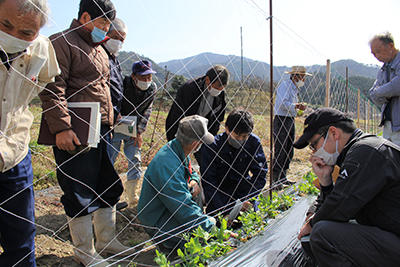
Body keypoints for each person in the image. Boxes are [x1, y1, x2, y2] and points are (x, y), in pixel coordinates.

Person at [38, 0, 132, 265]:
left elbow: (106, 89)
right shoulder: (62, 42)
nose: (105, 30)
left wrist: (111, 119)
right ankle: (83, 250)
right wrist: (63, 127)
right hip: (76, 130)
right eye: (102, 24)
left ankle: (106, 240)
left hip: (101, 128)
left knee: (107, 183)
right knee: (79, 188)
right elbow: (53, 88)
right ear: (86, 16)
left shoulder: (99, 49)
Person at [295, 108, 400, 267]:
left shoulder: (365, 151)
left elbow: (340, 207)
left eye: (314, 145)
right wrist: (325, 181)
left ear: (333, 133)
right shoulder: (358, 150)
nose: (314, 153)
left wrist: (310, 224)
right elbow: (338, 203)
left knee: (323, 234)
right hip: (390, 235)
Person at [0, 0, 60, 266]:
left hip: (15, 152)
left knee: (22, 237)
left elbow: (48, 80)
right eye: (5, 25)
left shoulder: (42, 48)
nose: (14, 36)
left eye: (26, 33)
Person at [138, 115, 216, 250]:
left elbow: (192, 172)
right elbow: (183, 207)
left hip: (169, 208)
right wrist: (212, 228)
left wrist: (194, 180)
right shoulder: (167, 165)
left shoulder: (177, 148)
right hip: (157, 219)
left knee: (201, 229)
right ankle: (166, 243)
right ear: (195, 144)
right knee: (196, 241)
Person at [201, 109, 267, 217]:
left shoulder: (253, 142)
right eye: (237, 136)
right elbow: (209, 181)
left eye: (244, 137)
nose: (240, 140)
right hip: (220, 194)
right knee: (218, 225)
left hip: (244, 191)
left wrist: (248, 199)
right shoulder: (212, 146)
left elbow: (260, 174)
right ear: (227, 129)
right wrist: (223, 210)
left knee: (251, 223)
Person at [109, 60, 157, 207]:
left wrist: (139, 132)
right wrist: (113, 118)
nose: (147, 81)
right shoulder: (122, 84)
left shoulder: (152, 89)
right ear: (133, 76)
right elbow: (111, 102)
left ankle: (132, 196)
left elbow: (147, 111)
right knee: (109, 159)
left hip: (133, 129)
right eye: (143, 78)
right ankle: (107, 197)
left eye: (149, 77)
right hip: (115, 127)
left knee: (135, 160)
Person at [165, 65, 229, 165]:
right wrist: (174, 140)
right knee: (177, 160)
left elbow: (217, 120)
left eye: (221, 89)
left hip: (203, 132)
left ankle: (202, 178)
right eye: (216, 87)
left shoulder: (220, 95)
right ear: (207, 80)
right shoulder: (189, 89)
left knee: (207, 162)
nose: (218, 91)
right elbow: (175, 116)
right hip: (183, 130)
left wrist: (209, 142)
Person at [102, 18, 128, 211]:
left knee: (109, 160)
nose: (119, 42)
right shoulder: (99, 54)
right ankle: (101, 204)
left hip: (113, 118)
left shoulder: (114, 58)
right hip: (100, 118)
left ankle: (107, 203)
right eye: (116, 37)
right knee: (102, 162)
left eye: (123, 39)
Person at [272, 66, 310, 187]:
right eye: (303, 77)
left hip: (289, 119)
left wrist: (297, 109)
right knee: (281, 148)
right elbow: (282, 103)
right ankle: (276, 180)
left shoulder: (294, 89)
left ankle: (283, 177)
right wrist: (296, 106)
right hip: (281, 119)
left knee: (288, 149)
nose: (304, 80)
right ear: (296, 76)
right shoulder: (285, 85)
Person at [369, 32, 400, 146]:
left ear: (391, 46)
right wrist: (387, 92)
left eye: (378, 51)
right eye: (373, 53)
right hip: (388, 124)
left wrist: (381, 92)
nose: (376, 56)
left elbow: (397, 85)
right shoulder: (382, 70)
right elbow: (373, 95)